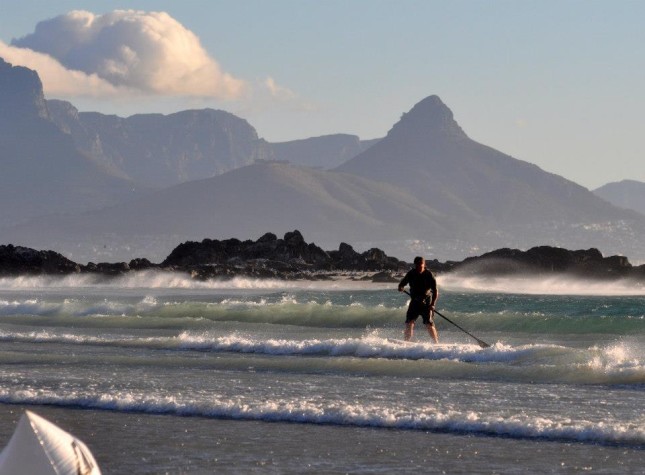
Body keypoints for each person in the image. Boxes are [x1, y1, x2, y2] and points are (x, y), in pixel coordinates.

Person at [398, 256, 439, 342]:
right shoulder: (411, 273)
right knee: (409, 322)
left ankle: (436, 342)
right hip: (415, 302)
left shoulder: (429, 275)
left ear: (424, 264)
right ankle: (406, 342)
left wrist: (432, 305)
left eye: (421, 265)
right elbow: (401, 284)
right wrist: (401, 287)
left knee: (429, 323)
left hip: (426, 302)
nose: (419, 267)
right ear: (415, 265)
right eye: (417, 265)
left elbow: (435, 291)